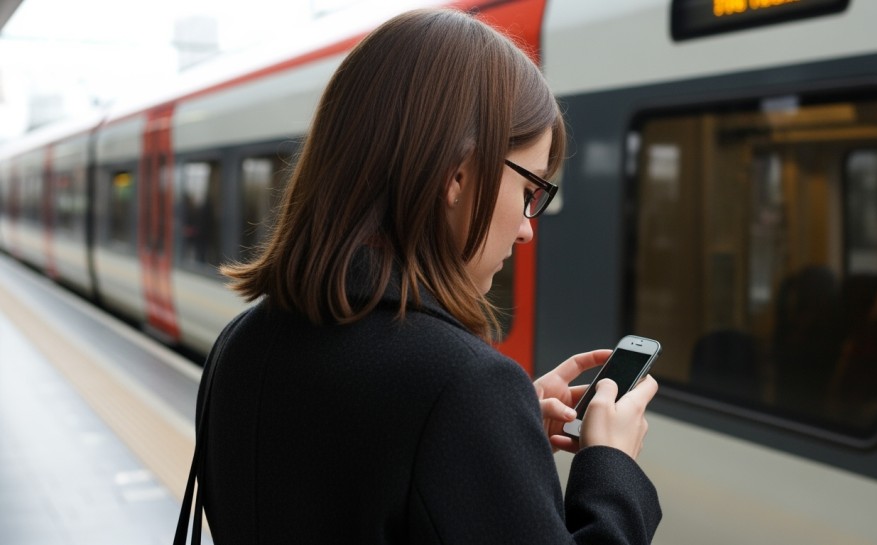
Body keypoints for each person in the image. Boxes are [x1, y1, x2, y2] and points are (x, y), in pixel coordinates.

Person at [184, 8, 661, 544]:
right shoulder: (461, 388)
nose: (529, 230)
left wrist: (501, 435)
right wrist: (611, 467)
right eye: (530, 192)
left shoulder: (243, 341)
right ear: (457, 176)